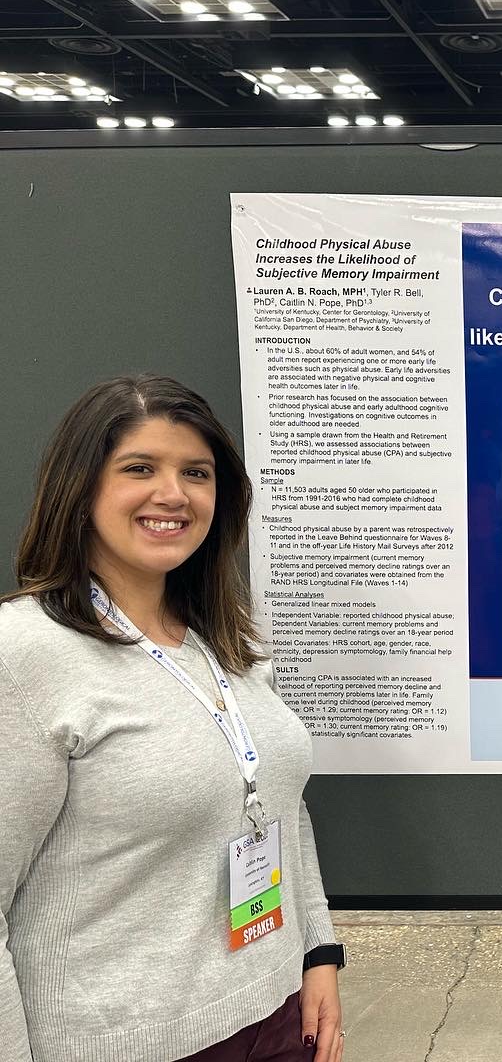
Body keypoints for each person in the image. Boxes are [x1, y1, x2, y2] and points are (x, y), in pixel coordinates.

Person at [0, 376, 346, 1062]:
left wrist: (317, 952)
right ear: (80, 488)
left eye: (196, 472)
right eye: (139, 469)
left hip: (275, 1017)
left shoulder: (229, 644)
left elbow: (278, 805)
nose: (173, 494)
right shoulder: (24, 654)